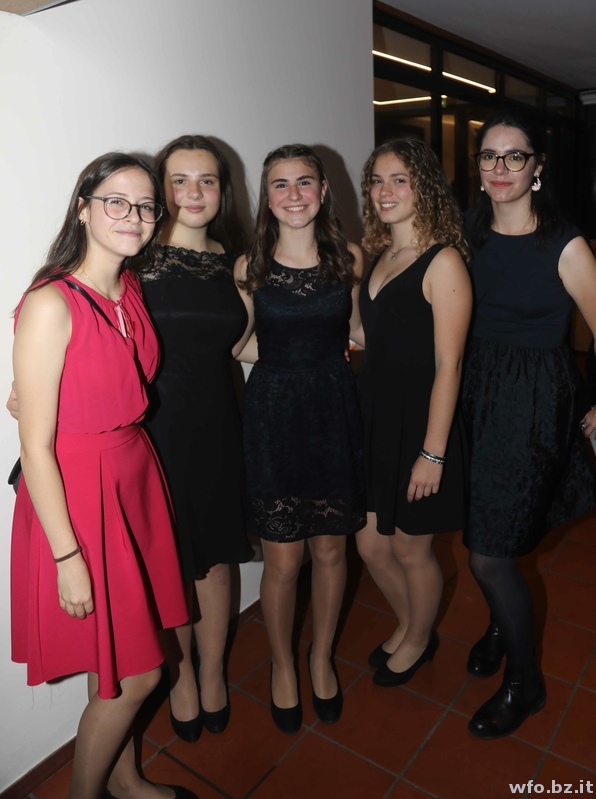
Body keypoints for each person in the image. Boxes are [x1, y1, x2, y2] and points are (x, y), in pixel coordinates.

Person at [10, 153, 196, 799]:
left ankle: (126, 781)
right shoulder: (51, 302)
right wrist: (68, 558)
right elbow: (36, 446)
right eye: (116, 200)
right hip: (79, 496)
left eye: (145, 205)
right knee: (143, 674)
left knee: (117, 657)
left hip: (132, 475)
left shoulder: (130, 288)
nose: (133, 216)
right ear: (83, 208)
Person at [462, 105, 596, 739]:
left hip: (534, 401)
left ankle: (526, 683)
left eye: (514, 156)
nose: (501, 167)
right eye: (490, 155)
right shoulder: (468, 231)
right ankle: (499, 623)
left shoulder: (564, 244)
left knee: (489, 555)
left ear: (536, 167)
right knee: (484, 531)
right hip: (473, 394)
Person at [234, 144, 365, 732]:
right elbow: (236, 343)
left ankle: (321, 657)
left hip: (333, 411)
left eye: (304, 182)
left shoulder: (350, 257)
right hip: (273, 416)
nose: (294, 195)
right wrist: (288, 358)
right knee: (284, 561)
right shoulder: (250, 267)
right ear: (267, 197)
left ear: (323, 190)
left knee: (332, 550)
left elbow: (357, 329)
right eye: (280, 185)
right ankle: (282, 665)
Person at [139, 135, 254, 741]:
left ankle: (213, 671)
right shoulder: (137, 257)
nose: (194, 192)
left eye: (206, 179)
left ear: (222, 190)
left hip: (217, 422)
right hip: (154, 428)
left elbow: (243, 346)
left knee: (215, 558)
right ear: (161, 189)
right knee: (172, 562)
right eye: (179, 180)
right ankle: (181, 677)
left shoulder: (237, 263)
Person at [355, 138, 472, 687]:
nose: (385, 191)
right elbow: (370, 336)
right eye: (377, 181)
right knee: (369, 542)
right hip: (376, 418)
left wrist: (433, 453)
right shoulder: (379, 255)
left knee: (409, 545)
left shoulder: (442, 260)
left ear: (423, 187)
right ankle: (412, 623)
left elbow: (450, 365)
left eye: (399, 179)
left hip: (422, 424)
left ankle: (419, 639)